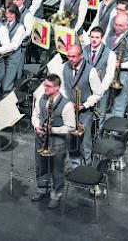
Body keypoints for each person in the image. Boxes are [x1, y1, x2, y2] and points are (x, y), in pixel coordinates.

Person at [31, 74, 75, 209]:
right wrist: (36, 126)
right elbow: (35, 115)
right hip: (41, 139)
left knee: (57, 170)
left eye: (48, 86)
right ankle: (42, 189)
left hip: (57, 142)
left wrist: (53, 130)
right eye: (45, 85)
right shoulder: (41, 98)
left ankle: (56, 195)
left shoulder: (66, 105)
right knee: (41, 166)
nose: (45, 88)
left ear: (57, 88)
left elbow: (71, 126)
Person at [60, 45, 103, 168]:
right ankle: (76, 166)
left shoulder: (91, 71)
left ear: (81, 56)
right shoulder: (64, 67)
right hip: (69, 111)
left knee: (85, 142)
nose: (71, 59)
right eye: (69, 56)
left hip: (84, 112)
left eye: (73, 56)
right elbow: (62, 88)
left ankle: (87, 166)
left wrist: (84, 105)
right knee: (71, 140)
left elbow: (98, 93)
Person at [84, 27, 117, 129]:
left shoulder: (110, 54)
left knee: (101, 115)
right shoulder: (84, 50)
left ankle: (99, 137)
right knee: (87, 114)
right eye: (92, 37)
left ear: (102, 38)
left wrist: (100, 91)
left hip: (102, 89)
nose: (94, 40)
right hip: (86, 89)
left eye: (97, 37)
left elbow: (109, 75)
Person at [1, 5, 26, 93]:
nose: (8, 16)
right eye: (7, 13)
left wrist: (2, 49)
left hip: (13, 57)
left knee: (6, 85)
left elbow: (15, 45)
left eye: (11, 14)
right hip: (3, 57)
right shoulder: (4, 24)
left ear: (16, 14)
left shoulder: (20, 28)